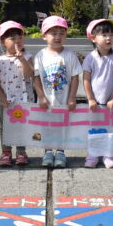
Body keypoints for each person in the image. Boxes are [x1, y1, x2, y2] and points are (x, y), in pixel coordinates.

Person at [34, 15, 81, 168]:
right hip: (46, 99)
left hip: (64, 99)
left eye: (61, 33)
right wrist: (41, 96)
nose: (57, 37)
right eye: (53, 33)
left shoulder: (70, 55)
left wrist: (72, 97)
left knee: (63, 125)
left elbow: (75, 77)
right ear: (44, 36)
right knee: (45, 125)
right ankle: (47, 152)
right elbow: (36, 78)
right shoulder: (40, 55)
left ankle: (60, 151)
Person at [82, 19, 113, 169]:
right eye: (104, 35)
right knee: (94, 128)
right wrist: (90, 98)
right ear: (93, 38)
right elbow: (86, 80)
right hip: (95, 103)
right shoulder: (90, 58)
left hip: (111, 103)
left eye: (111, 35)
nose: (109, 38)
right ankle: (93, 154)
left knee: (110, 128)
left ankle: (108, 154)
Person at [0, 20, 34, 167]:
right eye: (12, 38)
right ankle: (6, 152)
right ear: (2, 41)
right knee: (5, 126)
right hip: (5, 100)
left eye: (20, 37)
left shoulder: (27, 57)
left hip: (24, 99)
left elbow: (29, 75)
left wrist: (21, 59)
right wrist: (2, 96)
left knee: (23, 125)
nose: (17, 41)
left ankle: (21, 151)